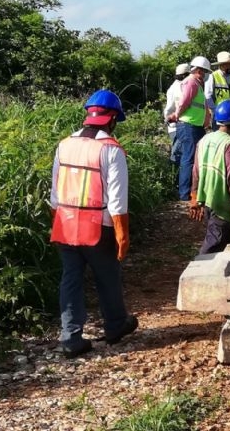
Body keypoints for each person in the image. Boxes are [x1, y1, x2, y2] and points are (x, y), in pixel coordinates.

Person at [50, 90, 138, 358]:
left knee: (71, 280)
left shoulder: (64, 144)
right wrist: (123, 237)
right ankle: (114, 326)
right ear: (112, 119)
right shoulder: (111, 149)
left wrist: (56, 222)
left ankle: (71, 337)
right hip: (98, 227)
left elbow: (55, 194)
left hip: (65, 223)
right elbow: (117, 202)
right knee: (107, 276)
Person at [190, 100, 230, 254]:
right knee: (212, 247)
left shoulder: (204, 140)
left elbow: (195, 170)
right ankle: (198, 273)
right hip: (221, 204)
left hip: (208, 200)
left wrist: (195, 195)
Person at [168, 56, 212, 201]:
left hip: (194, 125)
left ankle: (191, 190)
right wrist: (177, 115)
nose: (204, 75)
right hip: (189, 125)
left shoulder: (196, 84)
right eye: (203, 71)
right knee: (188, 158)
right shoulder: (192, 82)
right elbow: (184, 101)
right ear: (198, 70)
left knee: (192, 158)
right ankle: (185, 193)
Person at [206, 51, 230, 132]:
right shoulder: (213, 76)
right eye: (229, 64)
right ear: (222, 65)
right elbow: (207, 96)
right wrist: (215, 111)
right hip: (219, 116)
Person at [164, 63, 191, 166]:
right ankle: (175, 179)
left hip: (182, 126)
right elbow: (169, 109)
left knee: (182, 154)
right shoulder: (175, 88)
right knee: (178, 155)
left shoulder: (182, 86)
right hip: (176, 127)